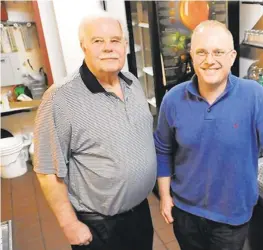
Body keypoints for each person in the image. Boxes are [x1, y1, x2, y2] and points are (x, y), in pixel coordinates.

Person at [154, 20, 263, 250]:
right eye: (201, 52)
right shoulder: (173, 99)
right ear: (192, 56)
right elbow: (163, 150)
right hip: (185, 214)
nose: (210, 60)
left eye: (218, 52)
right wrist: (165, 197)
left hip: (231, 221)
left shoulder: (254, 96)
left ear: (232, 57)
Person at [33, 12, 156, 250]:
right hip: (100, 226)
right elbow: (47, 170)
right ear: (84, 47)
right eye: (98, 41)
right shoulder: (60, 98)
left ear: (125, 46)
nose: (109, 48)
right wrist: (69, 225)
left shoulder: (133, 82)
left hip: (140, 214)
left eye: (115, 40)